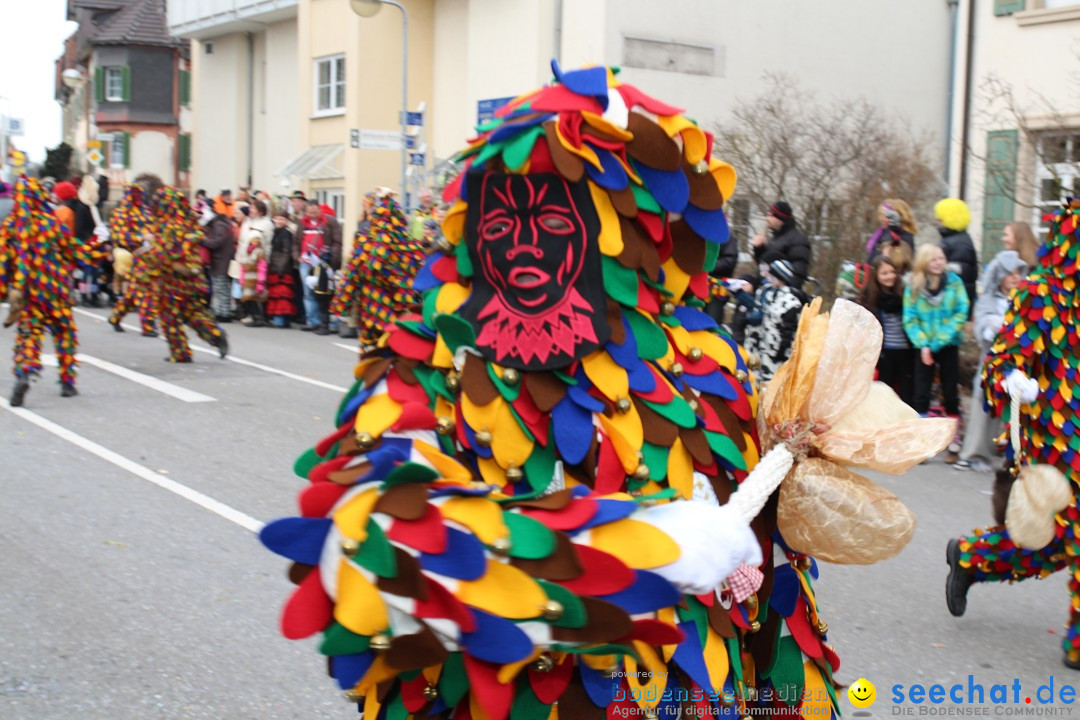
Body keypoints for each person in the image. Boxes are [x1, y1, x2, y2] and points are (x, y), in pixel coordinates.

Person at [945, 198, 1080, 670]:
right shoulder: (1041, 292)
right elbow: (1003, 361)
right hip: (1055, 439)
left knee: (1060, 542)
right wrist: (1013, 382)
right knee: (1064, 536)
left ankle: (971, 557)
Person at [0, 176, 108, 406]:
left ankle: (26, 372)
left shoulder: (11, 227)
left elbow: (3, 262)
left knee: (29, 336)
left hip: (28, 293)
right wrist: (99, 242)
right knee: (64, 333)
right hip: (56, 290)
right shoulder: (51, 224)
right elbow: (77, 253)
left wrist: (3, 291)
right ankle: (67, 381)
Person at [955, 251, 1028, 471]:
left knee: (1017, 405)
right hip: (993, 361)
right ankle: (973, 453)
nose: (1015, 277)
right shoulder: (988, 299)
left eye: (1018, 273)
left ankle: (1015, 454)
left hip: (1019, 361)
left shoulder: (1025, 298)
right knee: (984, 404)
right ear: (1000, 275)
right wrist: (992, 325)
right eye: (1010, 273)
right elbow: (982, 330)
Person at [330, 193, 425, 347]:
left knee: (373, 354)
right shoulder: (413, 247)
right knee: (400, 350)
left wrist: (342, 305)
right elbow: (424, 279)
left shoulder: (365, 244)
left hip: (372, 310)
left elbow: (351, 277)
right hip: (403, 309)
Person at [147, 187, 228, 363]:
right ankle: (215, 335)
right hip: (192, 279)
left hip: (170, 280)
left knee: (169, 317)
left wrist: (149, 248)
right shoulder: (189, 223)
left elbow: (163, 254)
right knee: (192, 312)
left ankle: (180, 352)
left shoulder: (165, 225)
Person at [903, 243, 970, 433]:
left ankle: (953, 433)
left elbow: (961, 311)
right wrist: (924, 344)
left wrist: (938, 342)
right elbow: (910, 318)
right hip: (923, 346)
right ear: (924, 261)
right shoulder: (913, 286)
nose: (938, 262)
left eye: (941, 258)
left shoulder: (954, 282)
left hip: (948, 344)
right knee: (921, 393)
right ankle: (922, 435)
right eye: (933, 259)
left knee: (950, 392)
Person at [739, 258, 810, 384]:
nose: (769, 277)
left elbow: (789, 331)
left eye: (772, 275)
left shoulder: (791, 302)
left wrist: (780, 353)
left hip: (777, 355)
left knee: (771, 385)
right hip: (764, 350)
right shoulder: (770, 294)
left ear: (780, 277)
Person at [858, 255, 915, 405]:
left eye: (892, 272)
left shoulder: (904, 294)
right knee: (884, 394)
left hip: (905, 351)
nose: (890, 276)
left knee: (906, 394)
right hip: (884, 354)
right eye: (884, 273)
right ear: (876, 275)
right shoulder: (869, 298)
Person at [107, 185, 159, 337]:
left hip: (149, 254)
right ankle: (148, 324)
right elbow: (119, 236)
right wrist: (140, 237)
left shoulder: (146, 211)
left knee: (136, 290)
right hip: (133, 255)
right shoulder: (120, 212)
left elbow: (154, 228)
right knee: (146, 290)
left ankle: (116, 316)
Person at [297, 200, 342, 331]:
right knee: (308, 293)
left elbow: (337, 242)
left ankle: (326, 322)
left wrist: (332, 259)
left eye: (315, 212)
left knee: (323, 292)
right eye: (309, 212)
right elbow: (296, 242)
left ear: (320, 210)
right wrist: (297, 256)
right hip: (306, 262)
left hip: (323, 263)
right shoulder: (302, 223)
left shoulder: (330, 222)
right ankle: (312, 321)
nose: (312, 215)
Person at [935, 197, 979, 312]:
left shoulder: (958, 243)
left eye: (940, 219)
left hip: (954, 305)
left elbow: (956, 274)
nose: (937, 222)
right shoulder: (955, 240)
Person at [751, 200, 812, 280]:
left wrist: (788, 291)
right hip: (769, 289)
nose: (767, 218)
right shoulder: (776, 238)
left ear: (780, 218)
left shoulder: (797, 240)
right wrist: (759, 248)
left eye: (770, 215)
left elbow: (798, 273)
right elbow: (764, 266)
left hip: (782, 291)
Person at [199, 204, 235, 322]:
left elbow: (217, 241)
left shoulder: (219, 225)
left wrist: (204, 241)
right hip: (220, 259)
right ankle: (221, 311)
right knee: (220, 287)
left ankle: (225, 313)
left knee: (222, 287)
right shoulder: (220, 224)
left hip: (221, 259)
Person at [266, 209, 298, 328]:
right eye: (277, 218)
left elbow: (286, 252)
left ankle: (280, 319)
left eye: (282, 219)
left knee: (282, 295)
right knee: (276, 294)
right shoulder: (275, 232)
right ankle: (278, 318)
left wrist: (281, 267)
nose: (279, 221)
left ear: (287, 221)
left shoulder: (285, 233)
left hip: (282, 268)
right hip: (274, 266)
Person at [865, 198, 917, 269]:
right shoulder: (881, 233)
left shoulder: (904, 236)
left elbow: (900, 261)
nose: (881, 219)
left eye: (885, 216)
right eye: (881, 216)